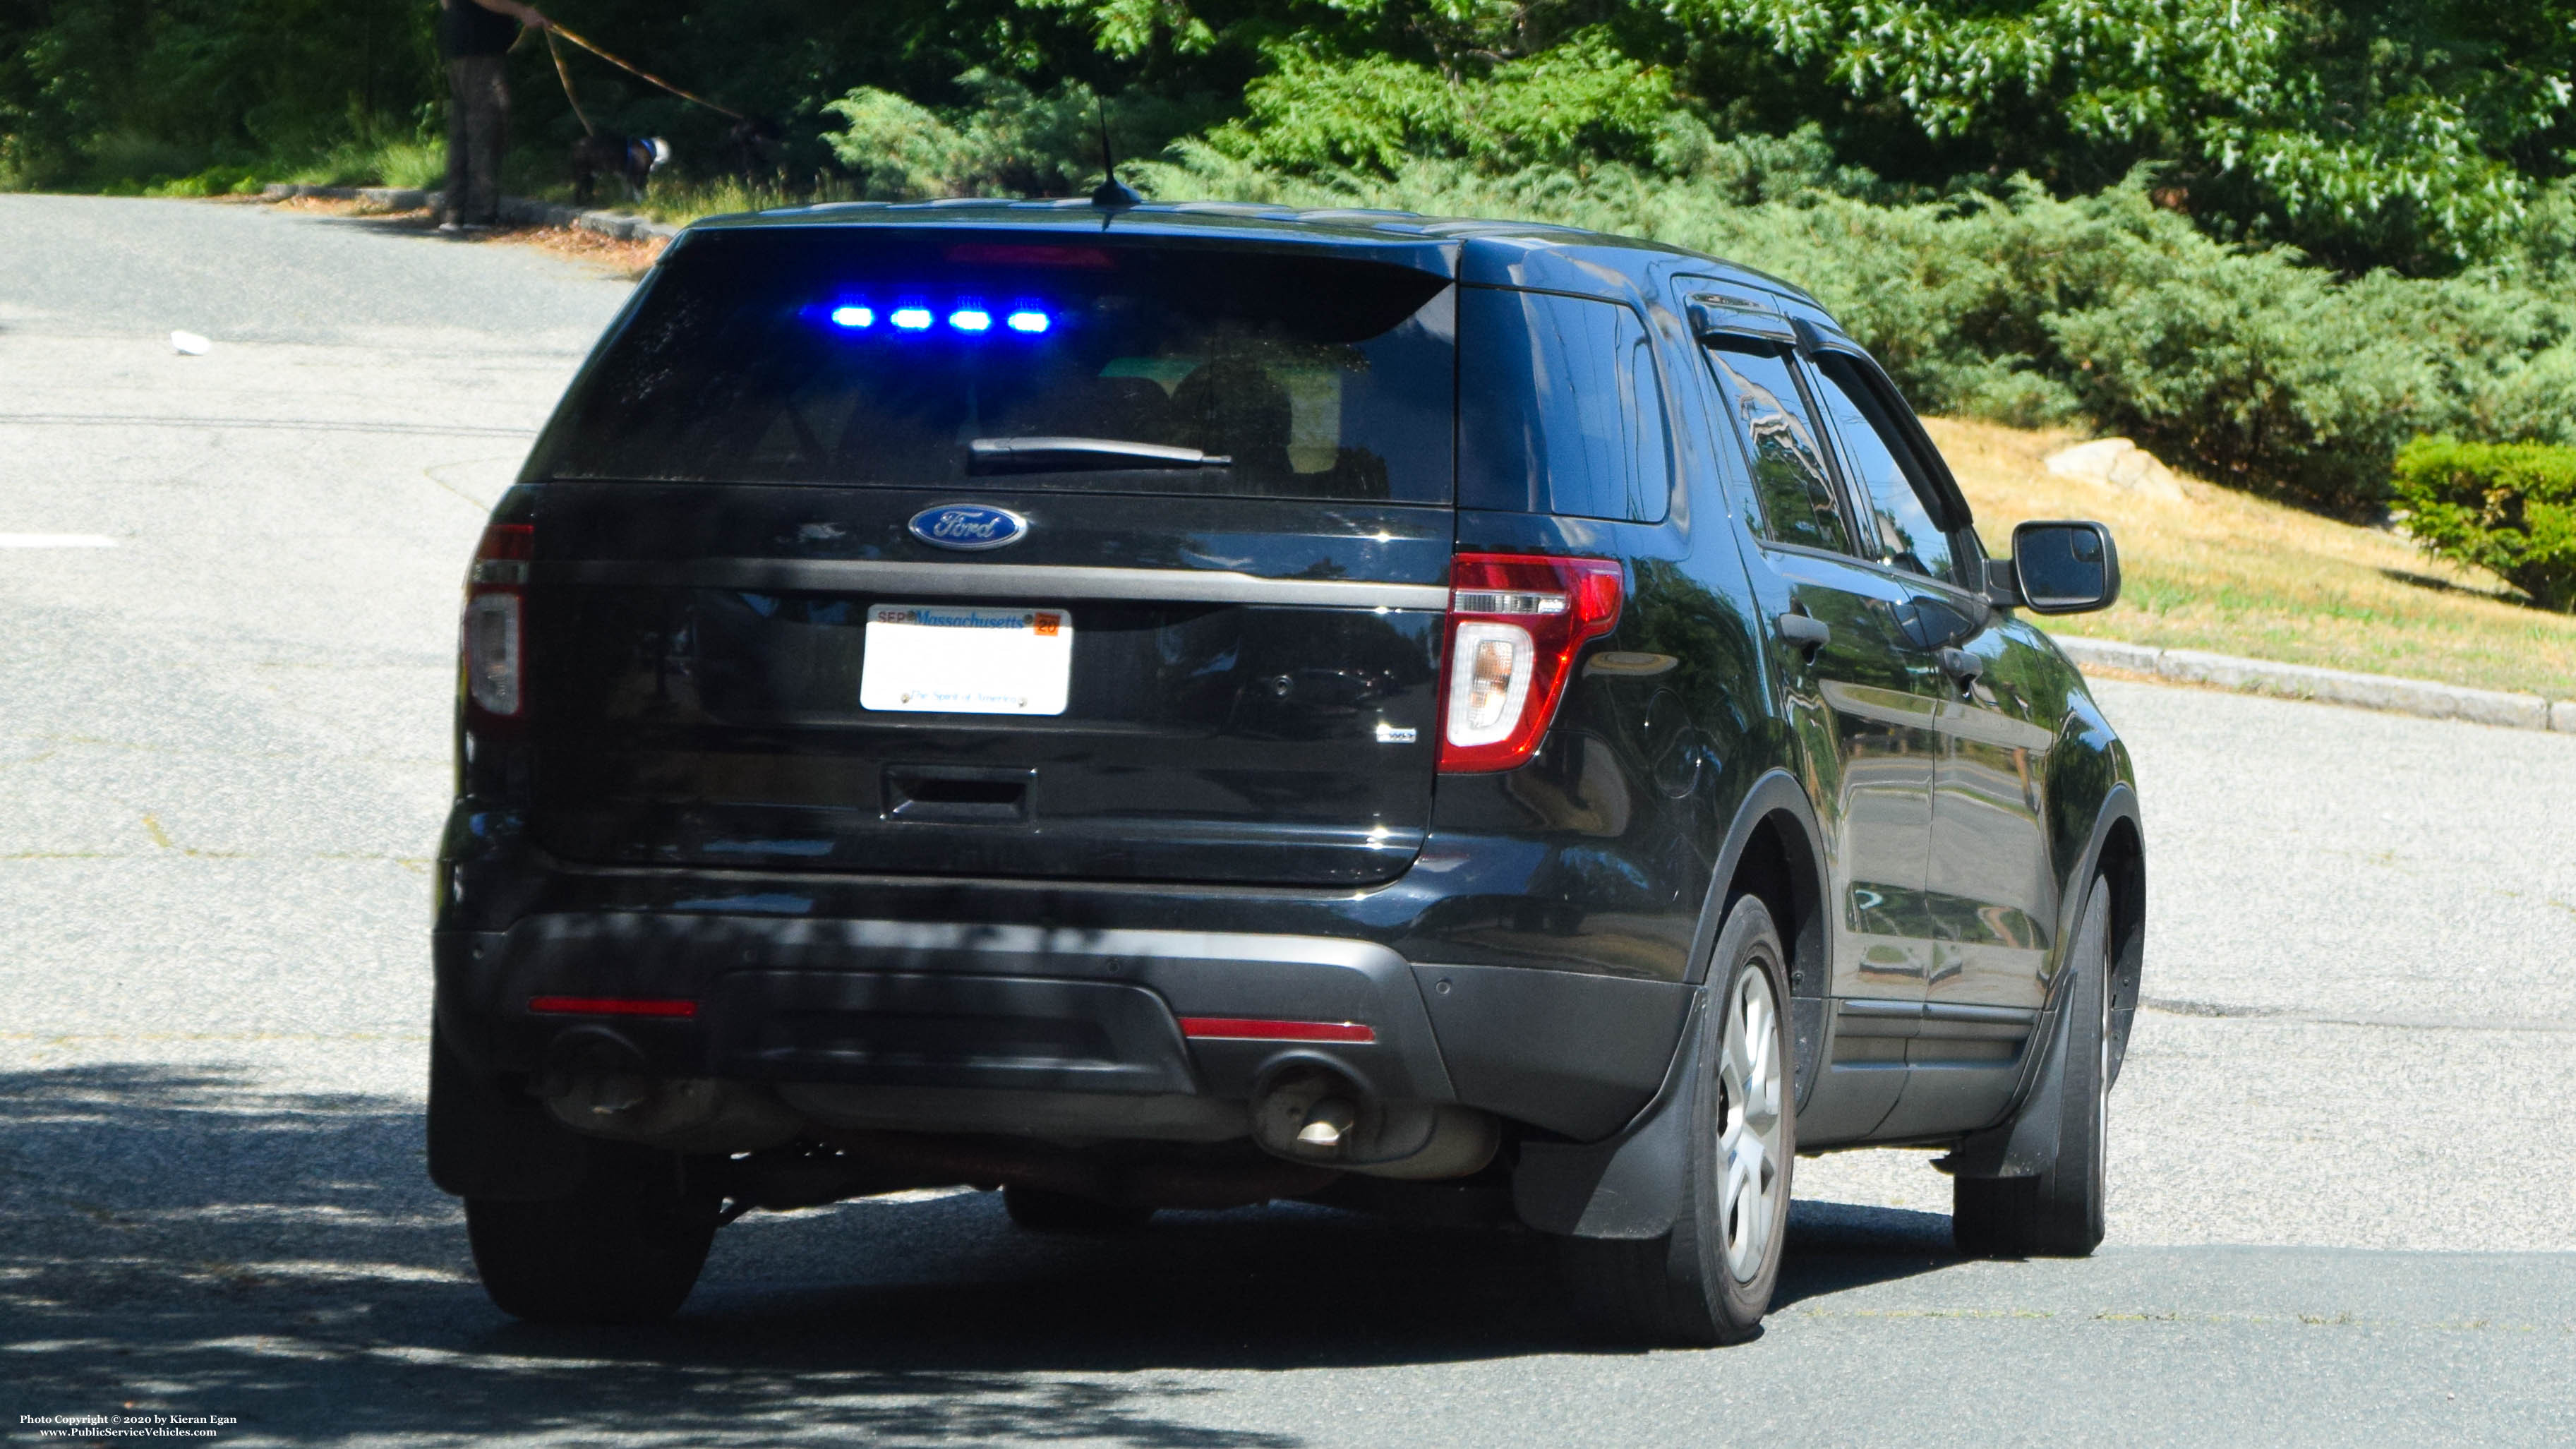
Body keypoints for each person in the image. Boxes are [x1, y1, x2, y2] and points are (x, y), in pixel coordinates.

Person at [438, 0, 550, 232]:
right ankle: (479, 214)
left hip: (460, 45)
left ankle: (455, 212)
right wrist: (522, 12)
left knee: (461, 133)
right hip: (481, 50)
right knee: (486, 128)